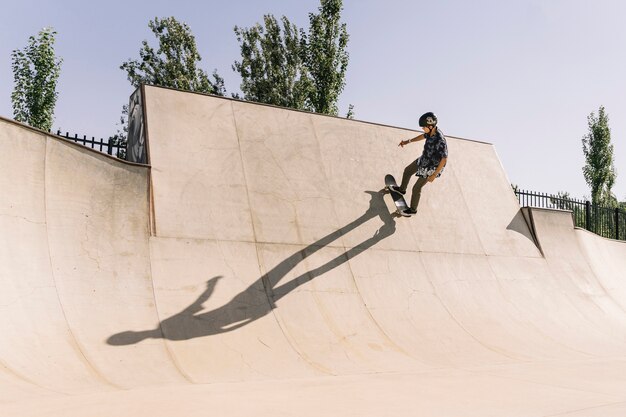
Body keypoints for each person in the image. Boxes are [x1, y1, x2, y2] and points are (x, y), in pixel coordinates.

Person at [390, 112, 448, 217]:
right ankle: (402, 190)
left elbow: (444, 159)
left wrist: (434, 174)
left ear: (430, 126)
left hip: (431, 167)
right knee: (407, 171)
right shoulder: (430, 132)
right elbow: (422, 136)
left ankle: (412, 210)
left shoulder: (440, 140)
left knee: (416, 188)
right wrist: (408, 141)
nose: (422, 129)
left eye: (423, 127)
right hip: (424, 159)